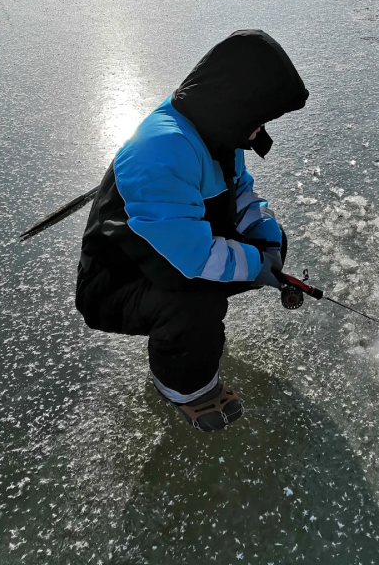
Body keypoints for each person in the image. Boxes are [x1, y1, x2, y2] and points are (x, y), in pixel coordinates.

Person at [75, 30, 309, 432]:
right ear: (236, 103)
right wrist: (254, 264)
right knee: (196, 299)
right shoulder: (161, 152)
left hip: (177, 250)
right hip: (118, 278)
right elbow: (191, 261)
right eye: (260, 119)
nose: (261, 129)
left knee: (266, 243)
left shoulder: (217, 127)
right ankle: (183, 385)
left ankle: (195, 332)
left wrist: (264, 239)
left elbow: (241, 196)